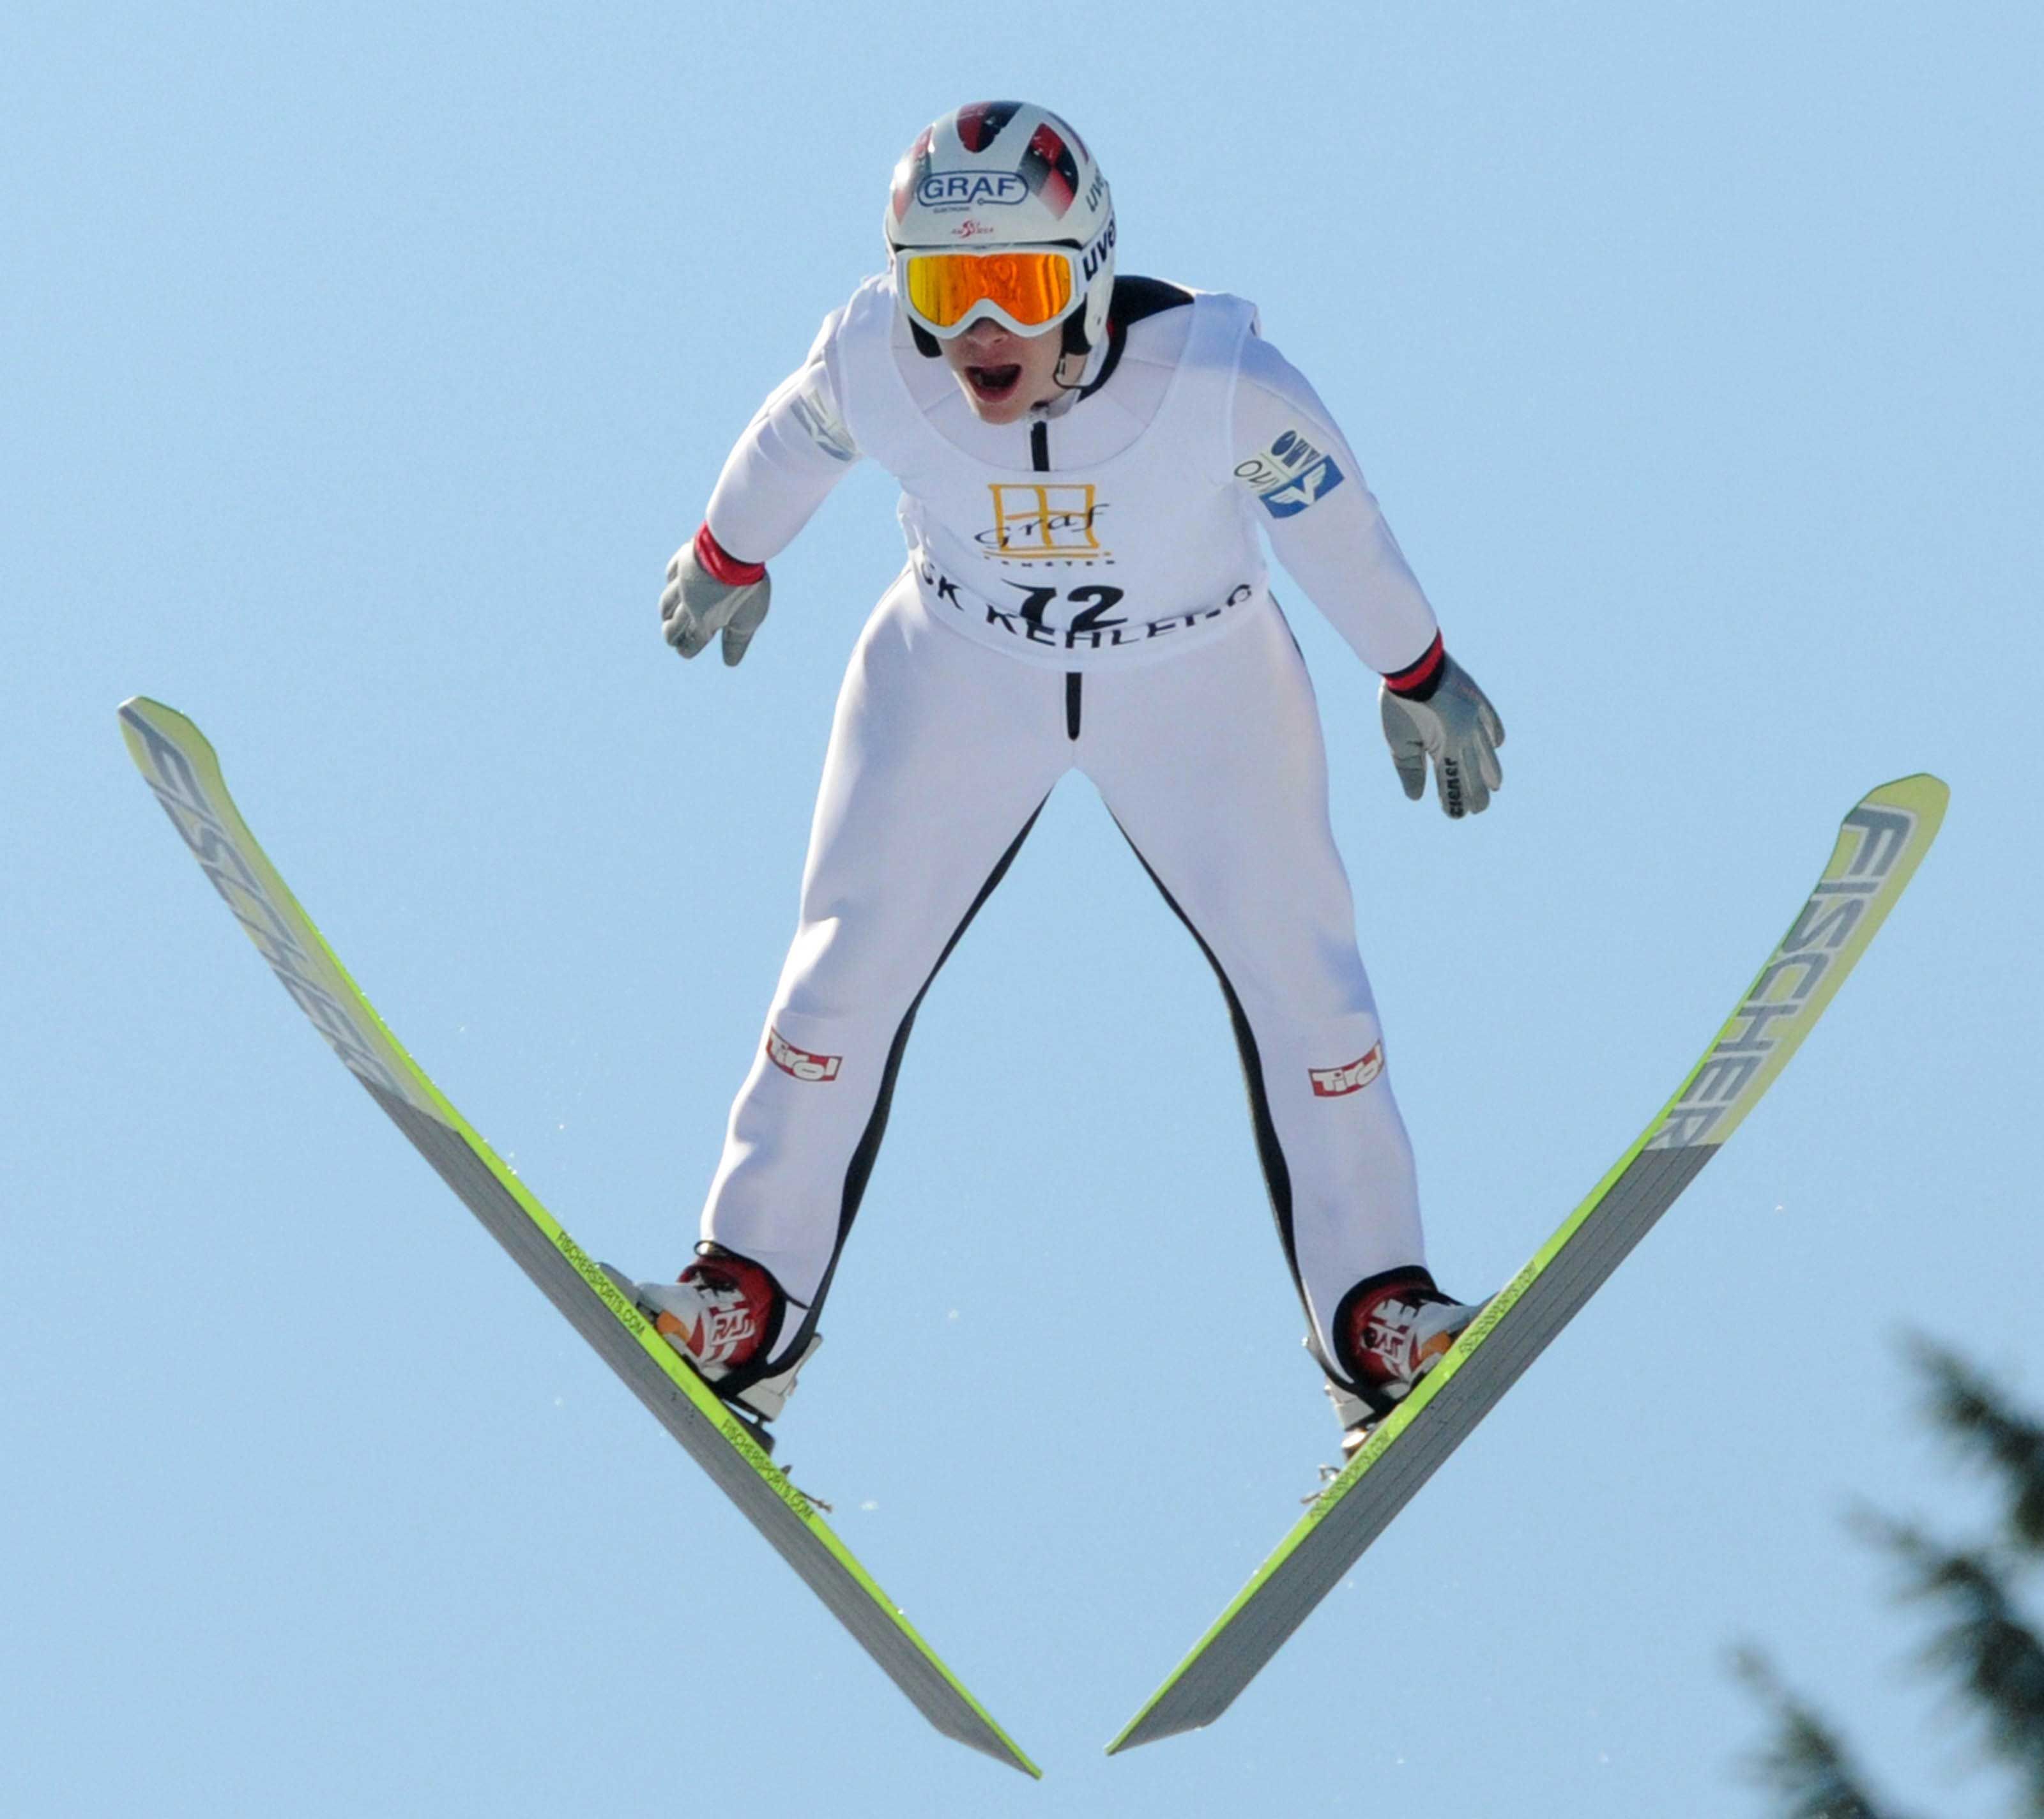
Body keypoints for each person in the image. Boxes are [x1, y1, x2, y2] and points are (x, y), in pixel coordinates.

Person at [635, 101, 1504, 1457]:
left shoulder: (1219, 380)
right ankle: (741, 1305)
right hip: (959, 668)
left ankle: (1376, 1321)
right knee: (836, 978)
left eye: (1023, 284)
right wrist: (729, 548)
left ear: (1090, 272)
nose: (982, 326)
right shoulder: (879, 357)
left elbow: (1335, 517)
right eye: (945, 287)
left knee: (1312, 994)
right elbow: (797, 432)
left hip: (1200, 686)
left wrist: (1414, 663)